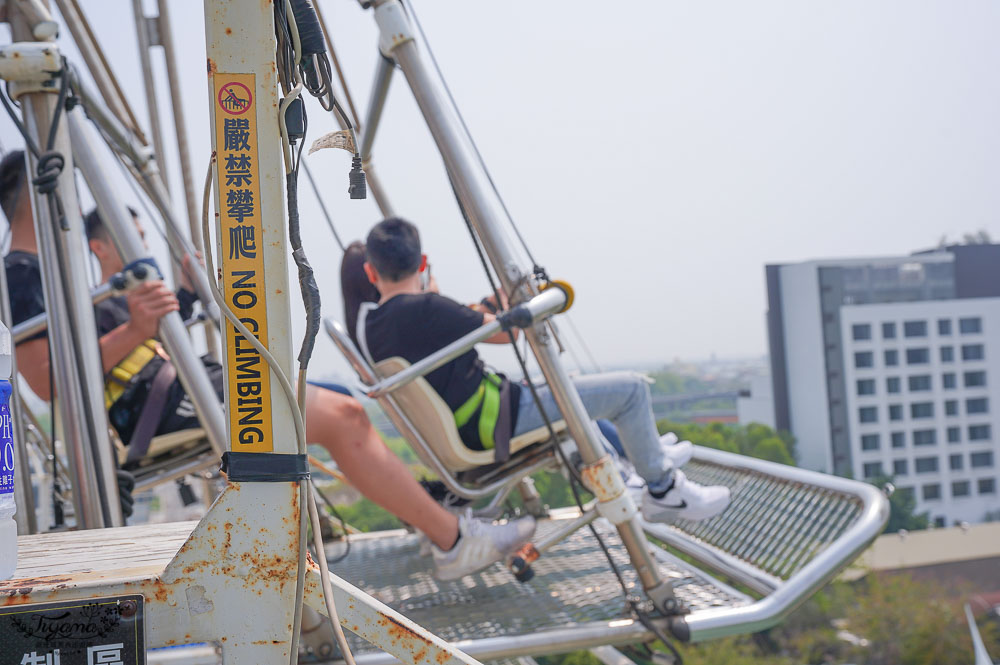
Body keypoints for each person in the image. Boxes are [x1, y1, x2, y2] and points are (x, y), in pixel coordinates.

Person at [0, 150, 534, 579]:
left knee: (340, 401)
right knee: (342, 418)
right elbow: (48, 382)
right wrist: (138, 328)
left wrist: (178, 301)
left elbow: (118, 341)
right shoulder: (25, 273)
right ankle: (453, 541)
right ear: (40, 191)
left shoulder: (54, 268)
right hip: (158, 408)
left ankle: (434, 522)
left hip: (173, 391)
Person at [358, 217, 732, 522]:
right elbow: (509, 335)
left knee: (569, 387)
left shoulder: (372, 326)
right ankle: (665, 490)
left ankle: (645, 454)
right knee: (631, 391)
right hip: (497, 422)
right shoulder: (428, 309)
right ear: (422, 264)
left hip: (478, 422)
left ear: (371, 272)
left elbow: (459, 322)